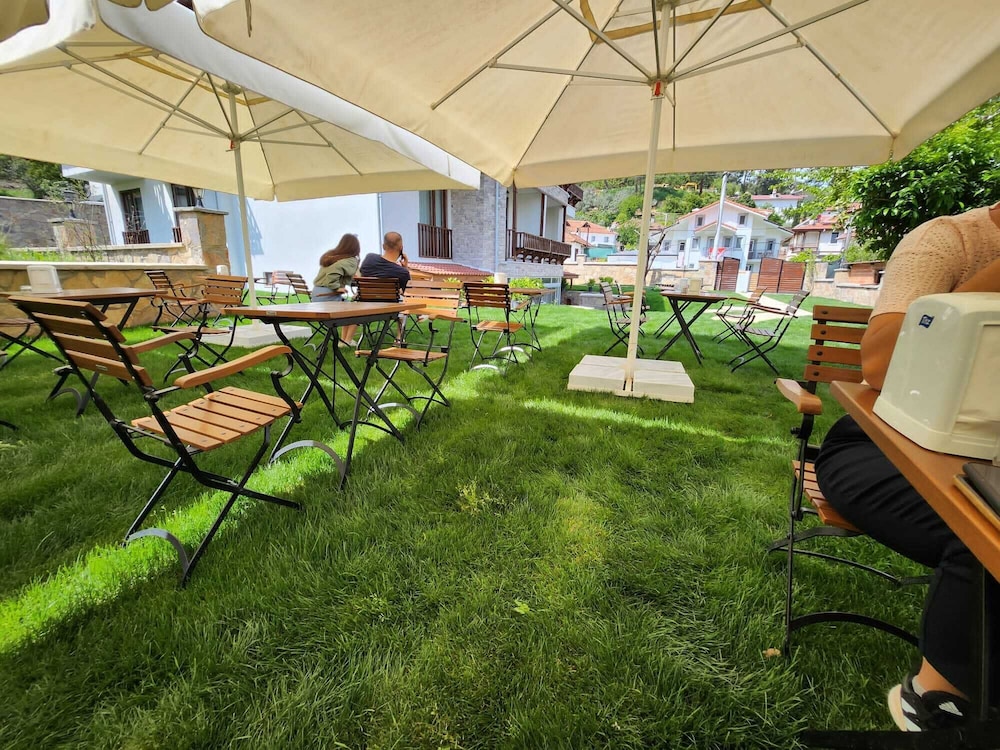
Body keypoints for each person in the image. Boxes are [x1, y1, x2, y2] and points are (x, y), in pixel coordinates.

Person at [814, 201, 1000, 732]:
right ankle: (939, 699)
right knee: (984, 525)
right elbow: (878, 365)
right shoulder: (949, 242)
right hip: (880, 445)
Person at [358, 231, 411, 342]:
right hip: (389, 307)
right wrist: (405, 268)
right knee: (404, 302)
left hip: (364, 305)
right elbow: (407, 292)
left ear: (383, 246)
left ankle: (347, 340)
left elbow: (361, 275)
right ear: (401, 248)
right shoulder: (402, 272)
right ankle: (399, 338)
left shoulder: (369, 258)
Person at [313, 233, 361, 344]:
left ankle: (343, 341)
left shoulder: (332, 256)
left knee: (349, 309)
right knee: (358, 311)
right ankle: (347, 341)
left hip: (317, 295)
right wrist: (336, 287)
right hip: (328, 296)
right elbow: (332, 274)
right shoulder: (349, 260)